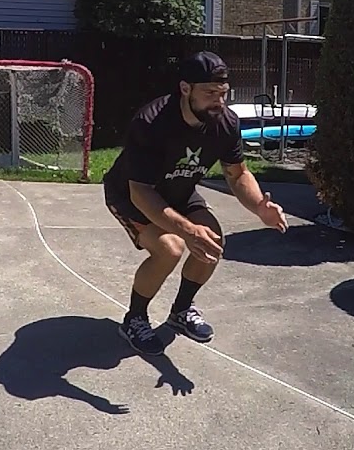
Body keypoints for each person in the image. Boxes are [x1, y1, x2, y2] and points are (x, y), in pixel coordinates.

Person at [102, 50, 287, 356]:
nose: (219, 101)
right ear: (185, 88)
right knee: (170, 248)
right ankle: (134, 319)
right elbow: (141, 192)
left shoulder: (225, 123)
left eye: (223, 93)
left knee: (211, 243)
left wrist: (258, 206)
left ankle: (181, 312)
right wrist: (187, 229)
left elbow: (237, 174)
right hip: (132, 194)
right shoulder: (152, 122)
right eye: (210, 93)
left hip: (179, 189)